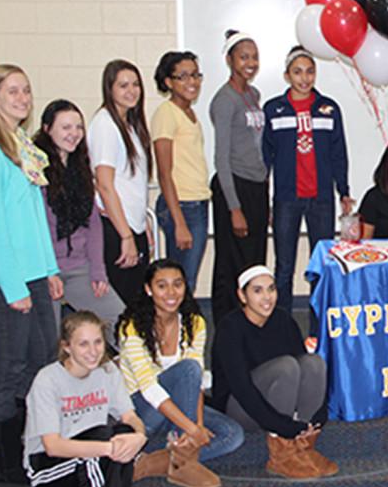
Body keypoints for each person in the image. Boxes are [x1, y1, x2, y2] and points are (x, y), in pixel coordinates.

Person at [0, 64, 62, 486]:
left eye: (26, 91)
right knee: (10, 367)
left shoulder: (22, 147)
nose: (22, 98)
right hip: (8, 281)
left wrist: (48, 271)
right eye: (13, 91)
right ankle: (3, 464)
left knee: (42, 362)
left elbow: (34, 220)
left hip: (33, 276)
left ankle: (31, 448)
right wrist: (13, 288)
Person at [23, 312, 147, 487]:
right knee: (104, 444)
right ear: (66, 347)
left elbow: (130, 416)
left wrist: (139, 436)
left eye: (98, 342)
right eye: (83, 344)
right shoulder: (47, 380)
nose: (93, 351)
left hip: (91, 451)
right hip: (47, 470)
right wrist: (109, 448)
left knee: (123, 433)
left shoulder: (108, 370)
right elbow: (53, 447)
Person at [117, 260, 243, 487]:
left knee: (233, 435)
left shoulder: (195, 323)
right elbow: (149, 389)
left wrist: (200, 423)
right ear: (148, 289)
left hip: (179, 406)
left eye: (177, 284)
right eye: (162, 286)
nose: (171, 293)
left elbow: (196, 385)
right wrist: (193, 429)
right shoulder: (131, 326)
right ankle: (183, 455)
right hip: (142, 410)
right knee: (188, 369)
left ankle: (155, 462)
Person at [211, 265, 338, 479]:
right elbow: (242, 389)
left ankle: (303, 446)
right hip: (239, 409)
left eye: (271, 289)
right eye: (257, 291)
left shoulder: (283, 320)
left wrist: (314, 421)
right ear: (242, 295)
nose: (267, 297)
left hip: (277, 408)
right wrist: (284, 426)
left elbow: (307, 372)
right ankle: (282, 452)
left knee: (313, 362)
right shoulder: (230, 328)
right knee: (286, 367)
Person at [262, 45, 353, 314]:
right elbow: (264, 160)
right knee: (285, 265)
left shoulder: (329, 109)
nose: (305, 78)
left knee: (322, 264)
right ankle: (281, 324)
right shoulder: (273, 110)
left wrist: (344, 191)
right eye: (298, 72)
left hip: (322, 200)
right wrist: (264, 200)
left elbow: (339, 154)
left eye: (310, 71)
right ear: (287, 75)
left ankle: (319, 323)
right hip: (286, 200)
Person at [35, 99, 125, 346]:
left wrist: (98, 270)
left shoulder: (80, 167)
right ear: (47, 129)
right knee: (48, 343)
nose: (73, 134)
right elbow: (35, 229)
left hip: (78, 268)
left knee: (123, 323)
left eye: (78, 127)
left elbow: (93, 224)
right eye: (66, 127)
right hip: (43, 270)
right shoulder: (34, 169)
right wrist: (48, 272)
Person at [210, 30, 269, 325]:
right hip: (233, 186)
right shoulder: (225, 100)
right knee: (229, 263)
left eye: (254, 56)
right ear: (230, 59)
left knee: (253, 261)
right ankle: (226, 325)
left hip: (256, 187)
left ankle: (252, 320)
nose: (250, 62)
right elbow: (221, 158)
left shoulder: (253, 95)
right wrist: (234, 208)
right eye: (244, 56)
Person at [89, 59, 152, 305]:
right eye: (123, 85)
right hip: (116, 230)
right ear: (110, 89)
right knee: (123, 308)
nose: (131, 91)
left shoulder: (130, 124)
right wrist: (126, 236)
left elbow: (131, 180)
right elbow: (105, 185)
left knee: (137, 303)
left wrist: (142, 221)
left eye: (136, 84)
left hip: (131, 226)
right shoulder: (105, 123)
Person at [152, 50, 211, 291]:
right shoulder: (166, 114)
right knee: (179, 284)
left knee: (187, 282)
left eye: (196, 75)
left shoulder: (189, 112)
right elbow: (164, 173)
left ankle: (183, 327)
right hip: (182, 207)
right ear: (168, 82)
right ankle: (175, 328)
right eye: (183, 76)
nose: (192, 82)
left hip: (197, 204)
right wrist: (179, 223)